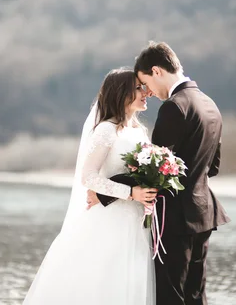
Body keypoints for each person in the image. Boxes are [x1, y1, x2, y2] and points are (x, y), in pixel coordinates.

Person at [91, 42, 231, 305]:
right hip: (204, 212)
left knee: (170, 294)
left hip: (175, 216)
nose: (149, 93)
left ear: (156, 71)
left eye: (146, 84)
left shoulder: (175, 107)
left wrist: (105, 191)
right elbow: (213, 167)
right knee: (196, 294)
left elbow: (155, 168)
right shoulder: (210, 104)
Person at [23, 67, 157, 305]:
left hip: (135, 220)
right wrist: (130, 193)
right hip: (110, 218)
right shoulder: (106, 129)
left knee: (129, 280)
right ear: (121, 93)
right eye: (138, 88)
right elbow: (89, 177)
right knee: (104, 279)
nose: (145, 92)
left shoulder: (139, 131)